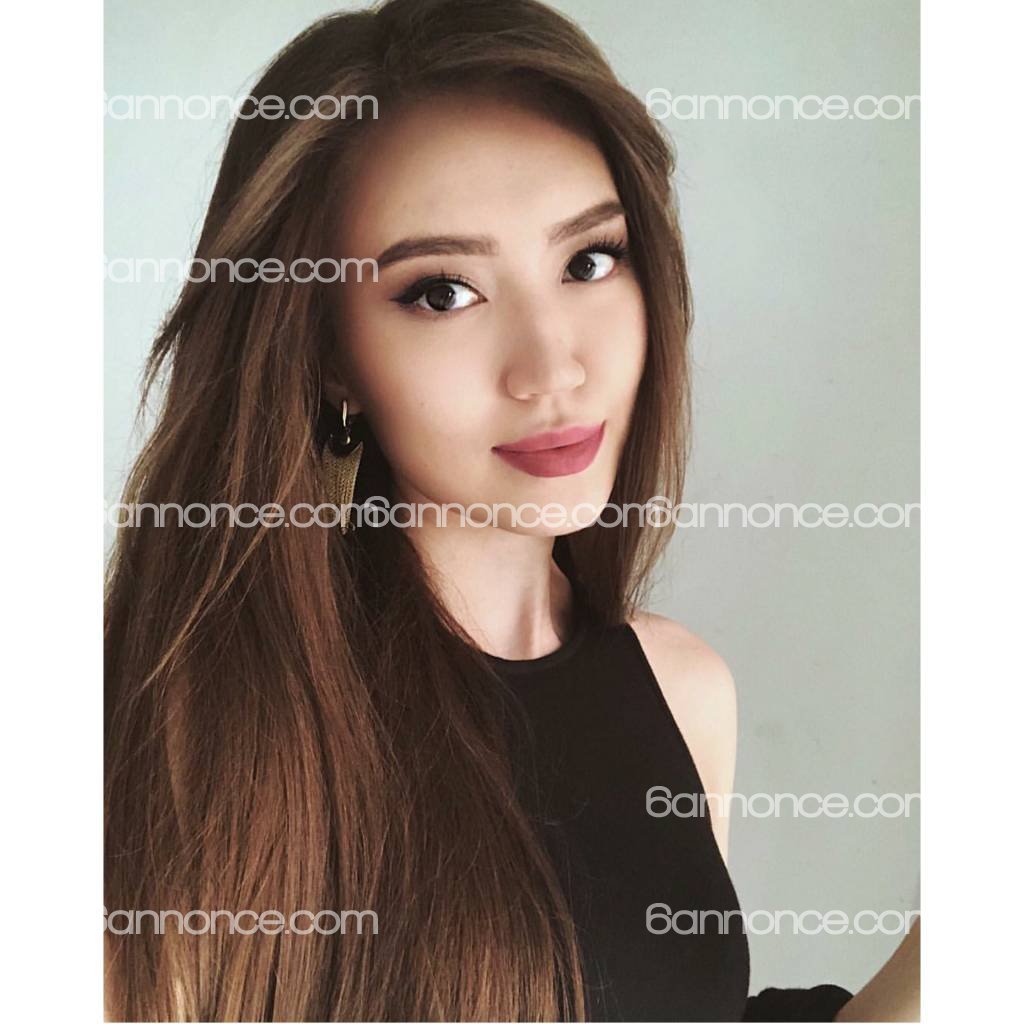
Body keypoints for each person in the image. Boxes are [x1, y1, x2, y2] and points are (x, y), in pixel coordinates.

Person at [104, 0, 920, 1019]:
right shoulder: (199, 735)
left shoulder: (683, 691)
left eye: (588, 261)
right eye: (442, 292)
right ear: (324, 349)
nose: (552, 368)